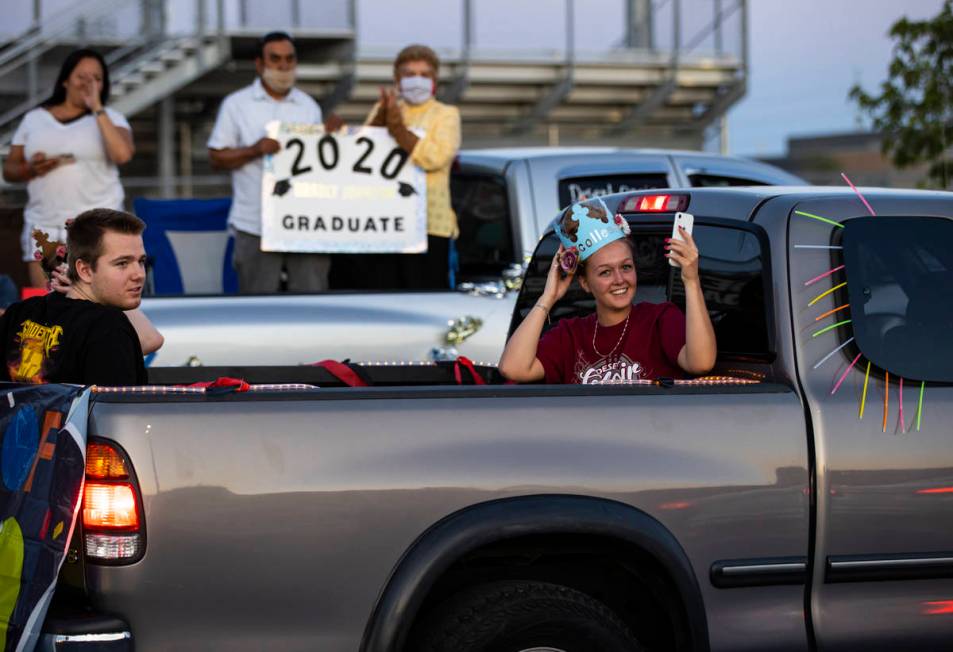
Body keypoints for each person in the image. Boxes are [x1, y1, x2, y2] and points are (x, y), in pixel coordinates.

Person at [498, 197, 717, 384]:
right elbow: (513, 368)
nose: (619, 279)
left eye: (626, 267)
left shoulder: (659, 319)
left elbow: (701, 363)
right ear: (584, 282)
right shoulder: (569, 335)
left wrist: (691, 280)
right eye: (605, 272)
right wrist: (548, 297)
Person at [208, 31, 333, 293]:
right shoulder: (237, 104)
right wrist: (254, 149)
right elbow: (216, 156)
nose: (283, 66)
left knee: (311, 301)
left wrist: (333, 140)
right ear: (259, 64)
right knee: (257, 307)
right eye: (275, 59)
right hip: (254, 223)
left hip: (303, 221)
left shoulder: (308, 106)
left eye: (289, 59)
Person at [2, 49, 134, 290]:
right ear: (65, 80)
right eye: (81, 77)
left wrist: (97, 108)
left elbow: (122, 154)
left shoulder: (112, 118)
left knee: (99, 305)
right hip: (45, 225)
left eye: (96, 78)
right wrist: (30, 169)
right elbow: (9, 170)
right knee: (47, 305)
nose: (88, 83)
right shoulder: (35, 119)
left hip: (97, 227)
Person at [0, 208, 151, 386]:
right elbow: (116, 412)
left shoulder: (19, 312)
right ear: (84, 270)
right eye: (122, 263)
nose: (139, 274)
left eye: (141, 261)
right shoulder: (108, 326)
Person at [363, 44, 461, 289]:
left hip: (430, 226)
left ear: (434, 80)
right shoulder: (384, 108)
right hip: (387, 222)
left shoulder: (446, 114)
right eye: (409, 74)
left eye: (424, 74)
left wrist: (397, 129)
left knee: (426, 297)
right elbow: (364, 152)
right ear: (397, 79)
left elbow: (435, 157)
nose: (417, 80)